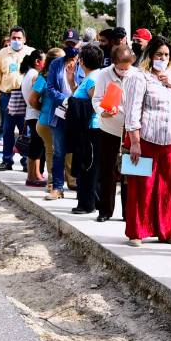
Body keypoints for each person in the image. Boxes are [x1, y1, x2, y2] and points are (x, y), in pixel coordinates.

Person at [122, 35, 171, 246]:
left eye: (167, 55)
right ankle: (137, 232)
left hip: (169, 144)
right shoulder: (139, 78)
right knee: (141, 188)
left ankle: (167, 230)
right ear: (151, 55)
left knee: (168, 189)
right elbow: (132, 112)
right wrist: (135, 142)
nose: (163, 58)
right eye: (159, 54)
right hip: (146, 142)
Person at [92, 45, 137, 222]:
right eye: (120, 68)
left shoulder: (137, 74)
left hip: (129, 129)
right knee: (107, 170)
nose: (124, 71)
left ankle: (128, 211)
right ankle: (105, 210)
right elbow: (96, 99)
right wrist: (102, 111)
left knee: (129, 171)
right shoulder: (104, 74)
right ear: (114, 63)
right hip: (108, 127)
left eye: (127, 68)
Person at [68, 45, 105, 214]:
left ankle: (87, 203)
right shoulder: (94, 76)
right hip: (90, 128)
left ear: (82, 61)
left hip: (91, 128)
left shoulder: (92, 79)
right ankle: (92, 200)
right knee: (90, 165)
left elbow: (96, 101)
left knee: (88, 166)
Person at [0, 26, 33, 171]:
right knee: (7, 130)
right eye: (13, 38)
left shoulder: (31, 52)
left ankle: (26, 161)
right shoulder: (3, 53)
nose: (16, 41)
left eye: (19, 38)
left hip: (25, 97)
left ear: (24, 39)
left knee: (25, 130)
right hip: (7, 96)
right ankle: (7, 160)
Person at [44, 41, 80, 198]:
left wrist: (73, 84)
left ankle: (81, 185)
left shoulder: (83, 64)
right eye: (68, 43)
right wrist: (65, 100)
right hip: (59, 113)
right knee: (58, 151)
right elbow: (50, 88)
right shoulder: (56, 65)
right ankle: (58, 187)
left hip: (78, 114)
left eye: (73, 44)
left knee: (78, 151)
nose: (70, 47)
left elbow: (86, 87)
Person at [33, 48, 65, 193]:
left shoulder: (64, 76)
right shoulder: (43, 78)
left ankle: (63, 180)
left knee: (56, 151)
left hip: (60, 120)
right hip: (47, 121)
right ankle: (52, 182)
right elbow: (32, 99)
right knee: (52, 151)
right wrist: (43, 109)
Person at [21, 50, 47, 187]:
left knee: (36, 145)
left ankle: (34, 174)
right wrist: (41, 108)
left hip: (30, 114)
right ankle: (34, 175)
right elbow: (33, 99)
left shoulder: (28, 73)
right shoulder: (35, 75)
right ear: (38, 61)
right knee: (37, 146)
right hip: (35, 114)